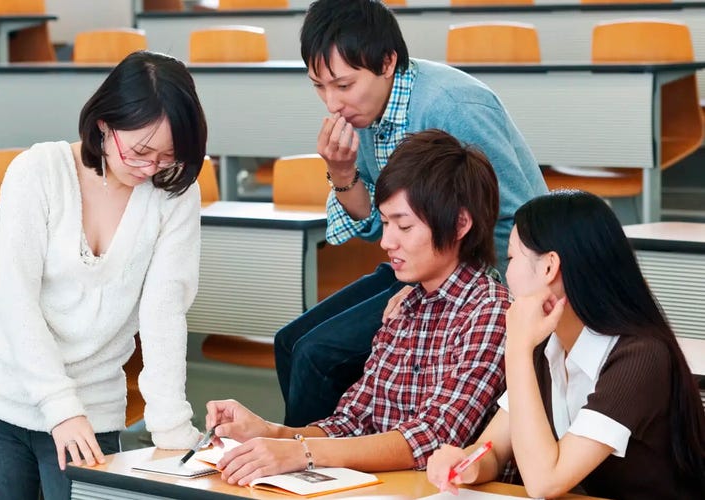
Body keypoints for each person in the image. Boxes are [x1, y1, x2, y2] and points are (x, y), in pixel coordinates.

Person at [0, 51, 208, 500]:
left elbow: (165, 312)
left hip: (94, 410)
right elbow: (17, 301)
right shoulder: (37, 172)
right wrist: (60, 409)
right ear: (105, 123)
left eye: (167, 157)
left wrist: (172, 432)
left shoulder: (173, 191)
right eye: (141, 151)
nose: (150, 170)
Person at [275, 0, 548, 427]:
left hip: (482, 277)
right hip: (426, 264)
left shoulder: (453, 107)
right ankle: (326, 457)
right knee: (290, 342)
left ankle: (316, 469)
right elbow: (370, 227)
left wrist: (437, 291)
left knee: (317, 355)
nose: (332, 104)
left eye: (344, 85)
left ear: (387, 63)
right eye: (319, 86)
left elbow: (521, 222)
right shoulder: (369, 112)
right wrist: (343, 171)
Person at [204, 129, 511, 486]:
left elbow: (434, 437)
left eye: (404, 225)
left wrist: (300, 452)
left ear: (460, 224)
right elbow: (352, 421)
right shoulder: (405, 305)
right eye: (384, 223)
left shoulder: (490, 311)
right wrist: (270, 432)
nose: (386, 241)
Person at [426, 190, 705, 499]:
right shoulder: (548, 344)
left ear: (549, 267)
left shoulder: (640, 357)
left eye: (512, 258)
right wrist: (469, 463)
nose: (506, 273)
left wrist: (516, 347)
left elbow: (545, 482)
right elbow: (492, 450)